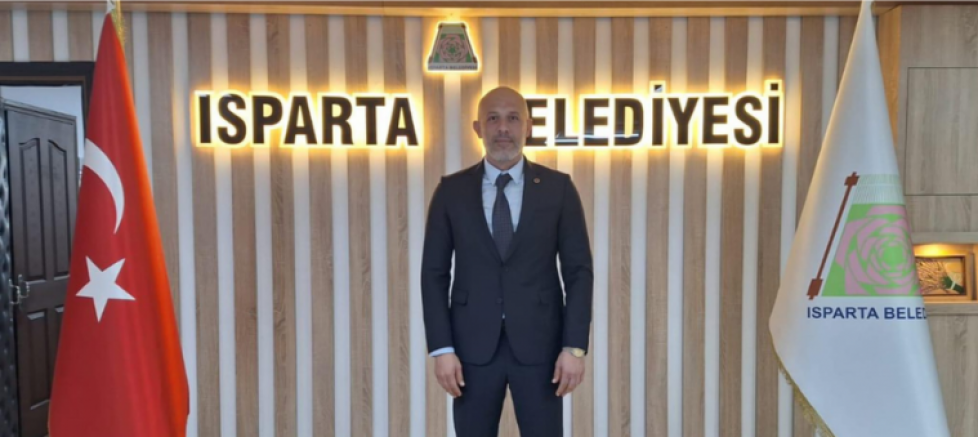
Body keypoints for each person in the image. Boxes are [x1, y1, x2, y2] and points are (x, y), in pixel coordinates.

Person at [421, 86, 594, 436]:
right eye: (493, 118)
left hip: (541, 347)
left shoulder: (558, 189)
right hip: (470, 350)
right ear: (477, 128)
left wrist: (574, 347)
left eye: (513, 118)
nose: (503, 127)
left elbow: (578, 272)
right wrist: (441, 348)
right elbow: (433, 274)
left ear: (528, 126)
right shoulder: (451, 191)